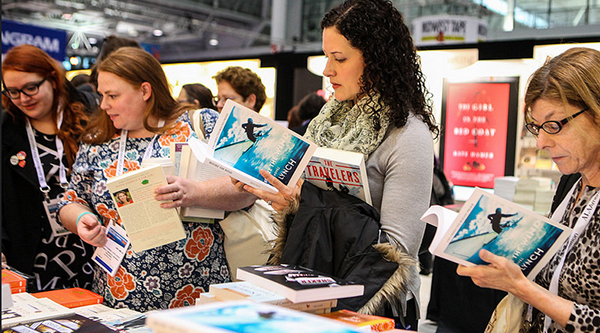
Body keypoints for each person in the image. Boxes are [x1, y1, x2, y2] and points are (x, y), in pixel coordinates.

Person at [234, 0, 438, 330]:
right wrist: (289, 201)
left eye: (339, 58)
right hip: (311, 285)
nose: (327, 70)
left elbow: (396, 251)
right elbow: (309, 211)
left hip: (374, 304)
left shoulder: (407, 135)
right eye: (326, 56)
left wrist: (309, 205)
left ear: (376, 60)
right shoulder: (327, 121)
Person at [57, 47, 229, 312]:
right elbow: (71, 200)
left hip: (197, 293)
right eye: (102, 95)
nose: (103, 105)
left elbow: (247, 188)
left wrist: (197, 192)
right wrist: (81, 220)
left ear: (145, 91)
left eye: (112, 95)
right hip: (117, 296)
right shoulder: (98, 140)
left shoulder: (199, 125)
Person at [457, 47, 600, 332]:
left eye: (554, 125)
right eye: (537, 128)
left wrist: (522, 288)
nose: (541, 142)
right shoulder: (572, 183)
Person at [2, 44, 94, 291]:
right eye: (13, 91)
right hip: (33, 256)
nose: (23, 98)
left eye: (31, 88)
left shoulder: (91, 118)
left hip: (94, 250)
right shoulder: (6, 130)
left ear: (53, 79)